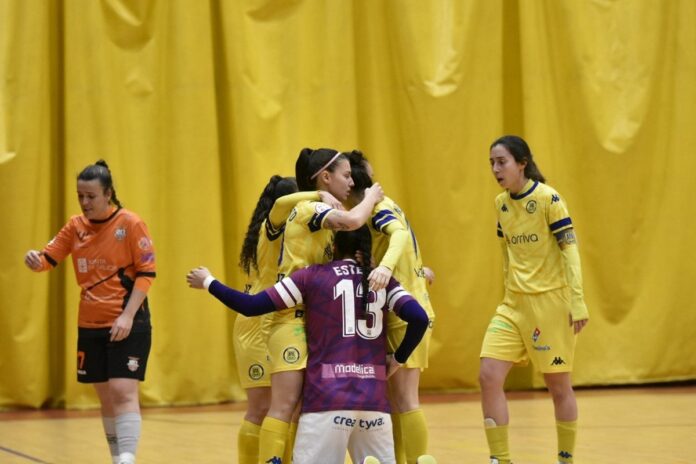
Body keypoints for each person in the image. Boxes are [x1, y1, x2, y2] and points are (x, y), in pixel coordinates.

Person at [186, 227, 432, 464]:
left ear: (332, 245)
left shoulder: (313, 276)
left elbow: (251, 306)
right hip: (374, 405)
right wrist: (398, 359)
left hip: (326, 404)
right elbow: (419, 318)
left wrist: (208, 281)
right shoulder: (384, 283)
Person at [253, 147, 385, 464]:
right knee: (283, 405)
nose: (352, 182)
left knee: (301, 408)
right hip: (289, 319)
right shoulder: (311, 209)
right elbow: (353, 220)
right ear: (326, 177)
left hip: (310, 320)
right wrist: (373, 196)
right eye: (346, 175)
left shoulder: (316, 211)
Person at [24, 160, 156, 464]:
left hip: (127, 321)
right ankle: (116, 457)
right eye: (80, 196)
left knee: (123, 391)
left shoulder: (130, 224)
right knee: (106, 397)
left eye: (91, 196)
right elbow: (47, 259)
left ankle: (127, 458)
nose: (84, 202)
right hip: (90, 322)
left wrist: (127, 316)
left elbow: (147, 273)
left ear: (108, 193)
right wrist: (34, 260)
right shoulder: (75, 226)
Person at [479, 136, 589, 464]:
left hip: (551, 305)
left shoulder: (548, 199)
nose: (496, 169)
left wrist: (577, 300)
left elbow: (570, 249)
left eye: (502, 162)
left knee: (558, 387)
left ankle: (566, 459)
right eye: (492, 163)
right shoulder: (500, 203)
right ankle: (501, 459)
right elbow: (506, 254)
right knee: (488, 375)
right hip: (513, 305)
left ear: (522, 163)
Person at [234, 175, 342, 464]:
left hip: (278, 315)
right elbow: (284, 205)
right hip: (259, 319)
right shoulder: (276, 225)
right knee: (262, 406)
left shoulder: (302, 230)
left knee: (291, 404)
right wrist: (318, 195)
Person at [348, 151, 436, 464]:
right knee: (396, 400)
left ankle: (418, 459)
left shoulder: (377, 209)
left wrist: (384, 268)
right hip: (409, 302)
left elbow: (398, 235)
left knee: (405, 398)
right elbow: (407, 247)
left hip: (407, 313)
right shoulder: (385, 205)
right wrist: (420, 272)